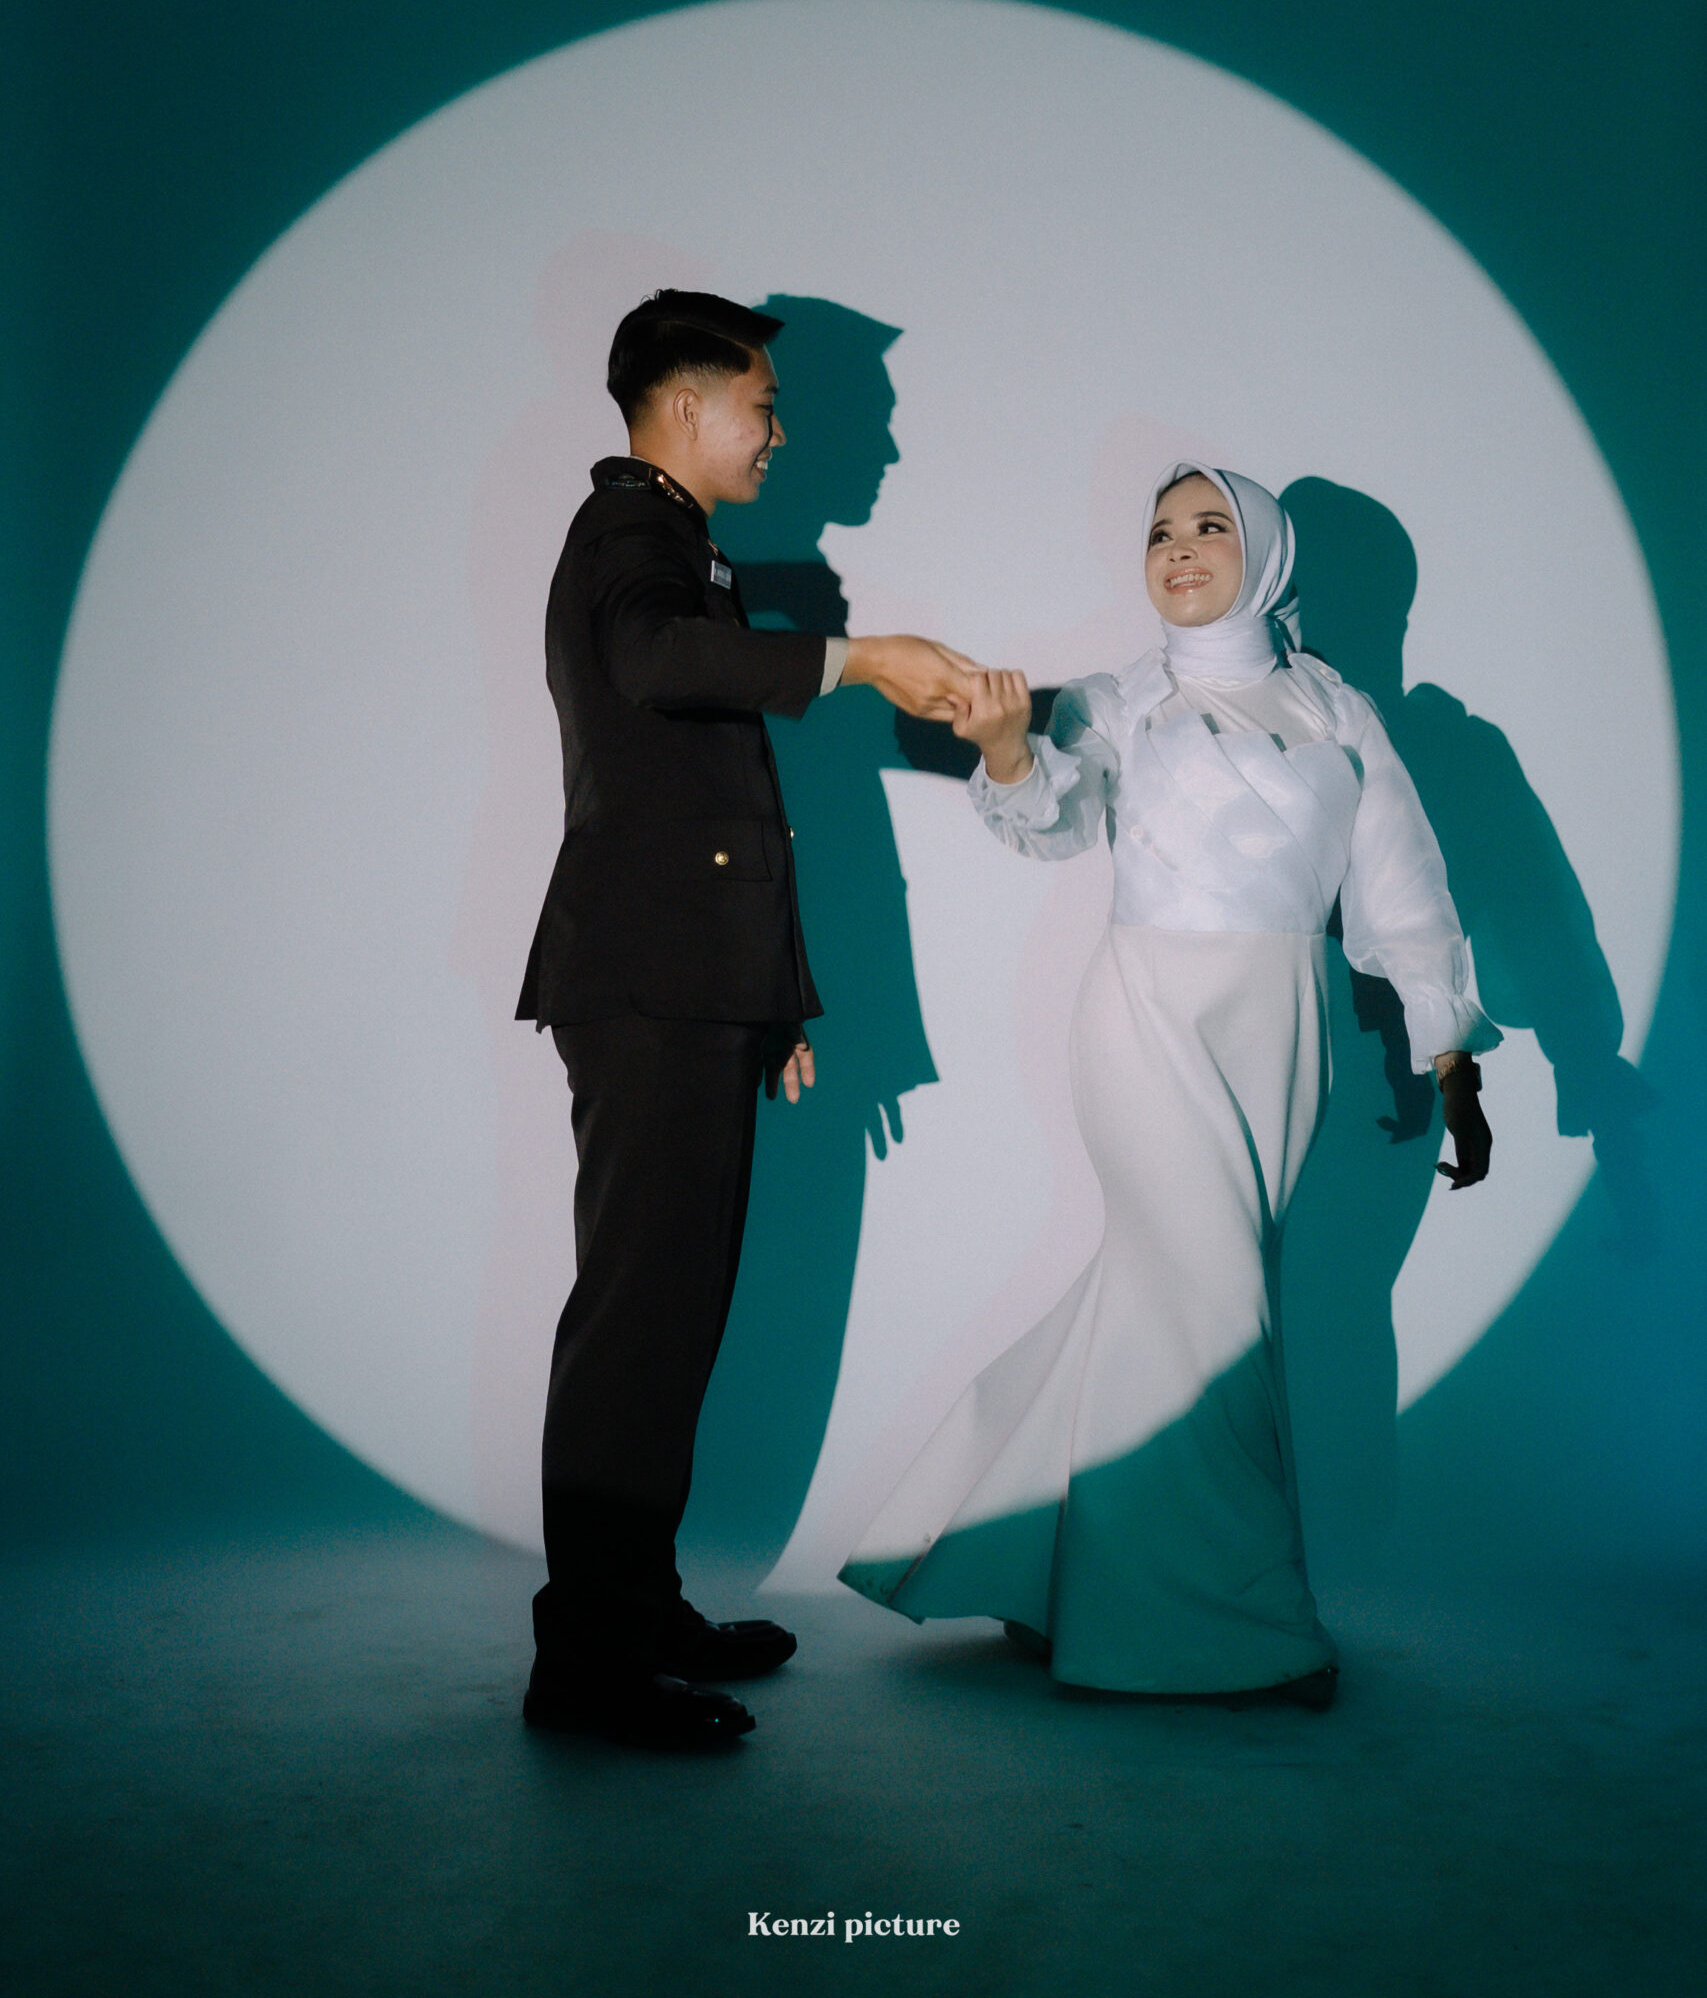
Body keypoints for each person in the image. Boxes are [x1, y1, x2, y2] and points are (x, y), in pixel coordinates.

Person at [840, 462, 1498, 1706]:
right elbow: (1046, 821)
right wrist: (1007, 751)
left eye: (1210, 527)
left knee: (1159, 1302)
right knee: (1214, 1314)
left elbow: (1405, 891)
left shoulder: (1340, 710)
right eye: (1161, 532)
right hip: (1143, 1018)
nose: (1180, 549)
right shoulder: (1119, 700)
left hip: (1283, 1032)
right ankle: (1235, 1627)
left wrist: (1450, 1057)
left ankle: (1033, 1562)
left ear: (1269, 554)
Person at [516, 288, 974, 1749]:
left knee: (670, 1324)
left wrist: (773, 994)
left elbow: (718, 800)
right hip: (646, 988)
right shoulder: (627, 534)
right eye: (763, 406)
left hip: (689, 986)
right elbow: (656, 666)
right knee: (635, 1329)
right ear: (683, 405)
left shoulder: (680, 547)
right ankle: (588, 1667)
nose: (782, 434)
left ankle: (634, 1610)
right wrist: (858, 657)